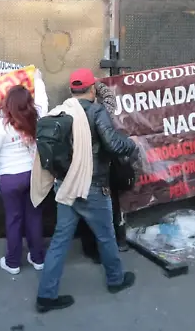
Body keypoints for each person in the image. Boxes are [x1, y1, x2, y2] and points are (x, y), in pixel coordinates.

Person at [32, 68, 137, 313]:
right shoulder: (96, 111)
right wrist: (131, 144)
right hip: (93, 187)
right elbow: (113, 143)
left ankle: (46, 296)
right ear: (92, 90)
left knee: (60, 241)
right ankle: (116, 279)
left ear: (72, 90)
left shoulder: (62, 110)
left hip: (65, 186)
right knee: (106, 236)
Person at [0, 85, 45, 275]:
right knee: (34, 217)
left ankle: (13, 263)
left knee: (13, 220)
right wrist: (38, 81)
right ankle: (38, 259)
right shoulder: (35, 119)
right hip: (32, 175)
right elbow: (43, 102)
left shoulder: (2, 126)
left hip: (10, 178)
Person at [80, 81, 130, 263]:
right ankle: (115, 247)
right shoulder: (101, 112)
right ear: (91, 91)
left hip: (79, 173)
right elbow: (109, 97)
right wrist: (95, 83)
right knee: (107, 212)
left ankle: (91, 250)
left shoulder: (67, 114)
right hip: (102, 171)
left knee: (84, 214)